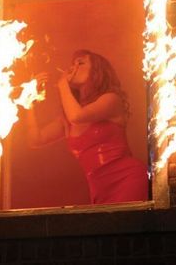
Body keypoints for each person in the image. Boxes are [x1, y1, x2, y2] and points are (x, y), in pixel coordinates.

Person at [28, 49, 148, 205]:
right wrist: (28, 100)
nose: (73, 67)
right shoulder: (67, 117)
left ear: (97, 71)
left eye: (81, 63)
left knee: (123, 226)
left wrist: (62, 84)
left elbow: (77, 117)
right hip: (98, 187)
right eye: (72, 64)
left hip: (127, 178)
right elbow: (35, 139)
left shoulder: (111, 99)